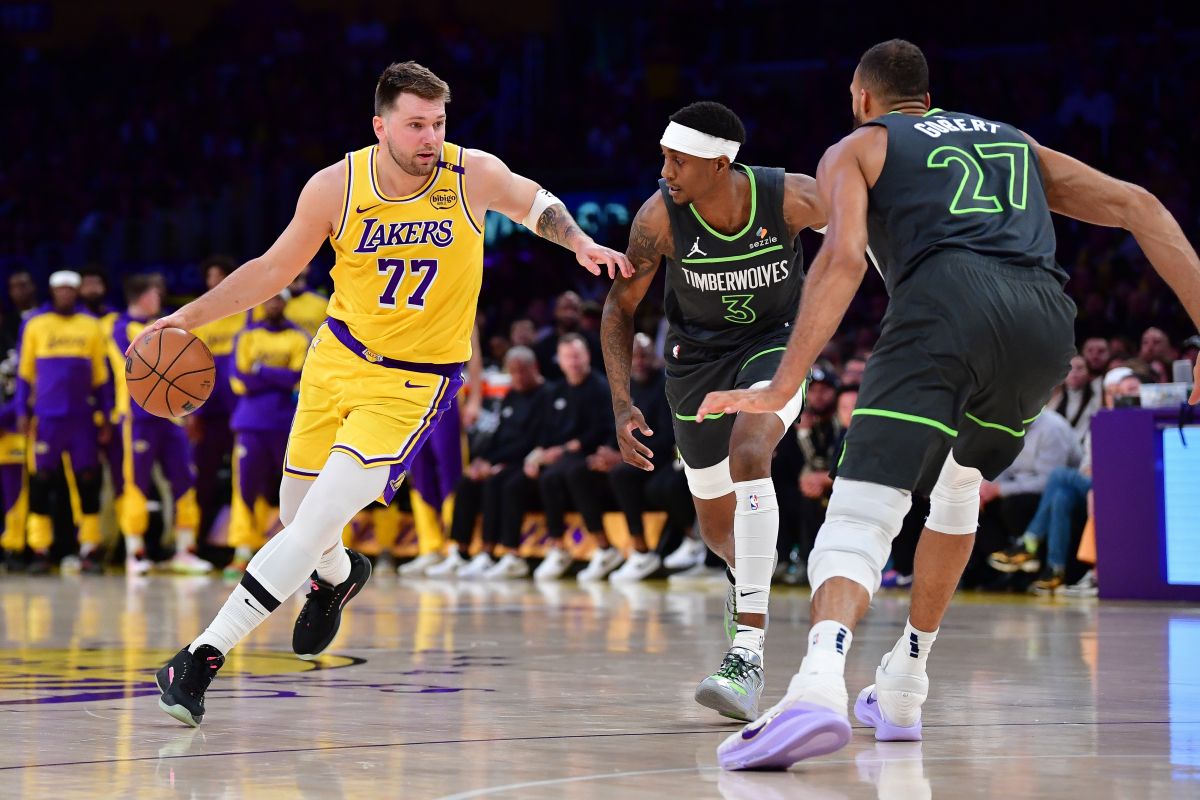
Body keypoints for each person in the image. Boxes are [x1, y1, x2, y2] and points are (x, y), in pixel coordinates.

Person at [698, 39, 1200, 771]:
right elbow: (1139, 206)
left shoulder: (860, 146)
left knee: (862, 513)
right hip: (1043, 321)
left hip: (943, 307)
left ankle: (816, 687)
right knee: (958, 488)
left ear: (862, 98)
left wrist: (782, 383)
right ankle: (904, 686)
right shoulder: (1013, 140)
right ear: (928, 100)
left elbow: (842, 258)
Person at [136, 61, 629, 727]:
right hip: (336, 360)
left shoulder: (470, 174)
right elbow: (273, 269)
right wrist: (184, 318)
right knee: (296, 516)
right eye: (416, 125)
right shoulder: (335, 186)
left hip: (413, 382)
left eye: (439, 123)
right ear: (381, 127)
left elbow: (535, 202)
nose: (431, 138)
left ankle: (200, 657)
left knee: (312, 523)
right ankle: (339, 576)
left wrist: (579, 241)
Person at [601, 101, 826, 722]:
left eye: (678, 161)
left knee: (750, 452)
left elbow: (866, 229)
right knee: (720, 533)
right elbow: (620, 307)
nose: (665, 172)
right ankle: (741, 577)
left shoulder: (790, 198)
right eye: (663, 158)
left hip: (776, 345)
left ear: (720, 164)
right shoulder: (658, 218)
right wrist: (621, 402)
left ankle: (746, 654)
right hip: (695, 366)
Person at [109, 274, 213, 575]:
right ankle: (135, 553)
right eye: (156, 293)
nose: (160, 298)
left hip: (172, 416)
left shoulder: (166, 326)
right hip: (138, 417)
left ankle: (185, 550)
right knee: (136, 482)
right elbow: (143, 364)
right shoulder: (120, 328)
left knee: (184, 479)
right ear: (143, 296)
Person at [17, 271, 111, 574]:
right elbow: (24, 373)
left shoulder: (91, 325)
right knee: (41, 481)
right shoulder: (35, 324)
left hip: (82, 418)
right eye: (61, 290)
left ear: (77, 292)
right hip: (46, 417)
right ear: (53, 291)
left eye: (71, 289)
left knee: (88, 480)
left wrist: (106, 416)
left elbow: (101, 377)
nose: (66, 294)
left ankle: (89, 547)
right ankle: (40, 548)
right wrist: (22, 411)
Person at [430, 345, 546, 578]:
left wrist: (495, 464)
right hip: (501, 461)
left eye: (521, 371)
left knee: (499, 482)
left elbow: (532, 440)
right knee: (466, 482)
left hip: (526, 462)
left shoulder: (545, 395)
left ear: (534, 368)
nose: (517, 377)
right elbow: (498, 434)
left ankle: (493, 552)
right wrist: (482, 461)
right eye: (512, 372)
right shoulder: (512, 395)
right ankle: (460, 552)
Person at [225, 292, 310, 574]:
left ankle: (298, 554)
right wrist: (279, 377)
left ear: (286, 303)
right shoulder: (246, 335)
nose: (273, 304)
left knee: (295, 489)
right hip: (251, 422)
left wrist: (260, 369)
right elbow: (241, 379)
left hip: (288, 424)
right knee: (245, 486)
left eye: (278, 300)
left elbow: (299, 378)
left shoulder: (299, 336)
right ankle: (243, 550)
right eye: (269, 300)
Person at [191, 256, 245, 543]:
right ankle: (196, 541)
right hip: (207, 411)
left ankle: (241, 543)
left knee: (243, 477)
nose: (216, 281)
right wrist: (191, 414)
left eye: (221, 275)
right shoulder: (199, 317)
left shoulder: (247, 313)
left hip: (239, 410)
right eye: (211, 276)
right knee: (203, 477)